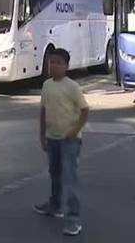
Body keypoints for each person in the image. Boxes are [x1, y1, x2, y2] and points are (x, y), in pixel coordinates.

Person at [35, 47, 89, 237]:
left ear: (66, 66)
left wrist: (75, 131)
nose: (54, 66)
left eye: (58, 63)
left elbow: (84, 110)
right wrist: (42, 135)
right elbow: (43, 111)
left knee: (69, 178)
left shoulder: (72, 87)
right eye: (51, 62)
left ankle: (73, 218)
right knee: (55, 174)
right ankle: (55, 205)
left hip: (69, 140)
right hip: (52, 138)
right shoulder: (47, 85)